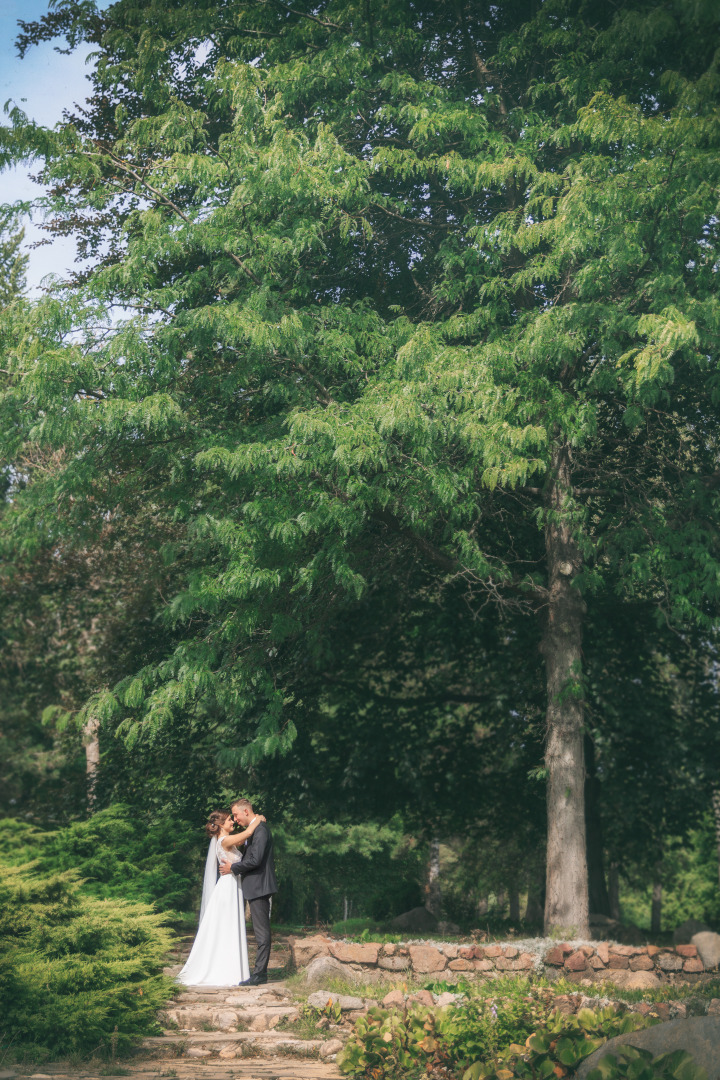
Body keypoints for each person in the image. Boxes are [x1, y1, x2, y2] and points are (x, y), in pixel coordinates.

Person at [177, 808, 264, 986]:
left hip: (232, 886)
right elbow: (248, 832)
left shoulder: (226, 841)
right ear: (221, 825)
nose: (233, 822)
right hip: (228, 888)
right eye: (229, 820)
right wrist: (259, 819)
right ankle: (227, 970)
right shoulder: (224, 840)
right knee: (227, 926)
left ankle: (231, 967)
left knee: (228, 926)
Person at [219, 798, 277, 986]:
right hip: (255, 886)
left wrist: (233, 868)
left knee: (262, 933)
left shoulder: (260, 830)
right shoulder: (255, 828)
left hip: (260, 886)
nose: (235, 819)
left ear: (246, 812)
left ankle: (260, 974)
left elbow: (255, 860)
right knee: (260, 931)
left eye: (235, 814)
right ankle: (259, 972)